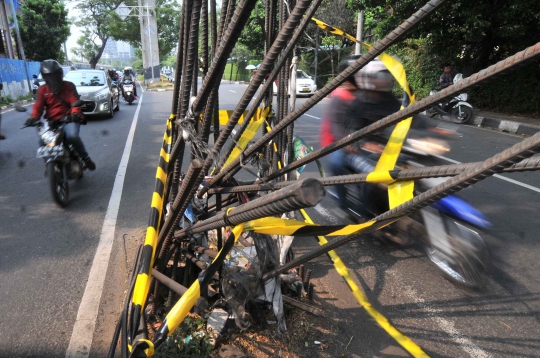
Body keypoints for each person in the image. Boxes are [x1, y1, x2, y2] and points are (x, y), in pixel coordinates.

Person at [320, 56, 400, 214]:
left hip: (369, 143)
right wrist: (351, 142)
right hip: (339, 142)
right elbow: (337, 126)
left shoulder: (377, 96)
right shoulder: (343, 96)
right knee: (338, 163)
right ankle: (345, 203)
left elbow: (405, 114)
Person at [25, 60, 96, 170]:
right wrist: (33, 118)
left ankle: (85, 158)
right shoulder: (42, 90)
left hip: (69, 119)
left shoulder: (69, 86)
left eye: (54, 75)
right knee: (42, 141)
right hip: (51, 122)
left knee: (72, 136)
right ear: (44, 77)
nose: (52, 79)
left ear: (60, 74)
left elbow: (74, 102)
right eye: (49, 76)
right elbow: (38, 106)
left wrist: (75, 114)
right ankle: (49, 165)